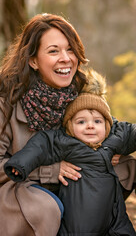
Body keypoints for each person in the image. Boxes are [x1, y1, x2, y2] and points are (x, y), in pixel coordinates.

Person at [4, 70, 136, 235]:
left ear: (106, 125)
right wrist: (20, 164)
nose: (90, 126)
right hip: (79, 220)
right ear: (70, 126)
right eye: (81, 122)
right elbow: (41, 146)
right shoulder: (65, 141)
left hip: (115, 217)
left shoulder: (113, 135)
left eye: (97, 121)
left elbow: (131, 132)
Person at [0, 13, 89, 236]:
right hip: (16, 189)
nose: (66, 58)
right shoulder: (6, 102)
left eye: (70, 49)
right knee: (47, 209)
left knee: (124, 169)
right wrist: (49, 171)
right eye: (53, 51)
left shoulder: (81, 97)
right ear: (33, 61)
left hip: (66, 182)